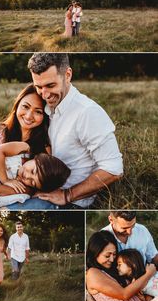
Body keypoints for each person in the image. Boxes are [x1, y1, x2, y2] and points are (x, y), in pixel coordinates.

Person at [9, 53, 123, 210]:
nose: (45, 94)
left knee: (6, 211)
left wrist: (67, 195)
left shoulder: (87, 112)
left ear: (67, 75)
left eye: (50, 86)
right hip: (36, 186)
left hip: (69, 202)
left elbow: (114, 168)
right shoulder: (47, 106)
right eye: (38, 87)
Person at [86, 230, 158, 301]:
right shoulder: (93, 273)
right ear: (95, 253)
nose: (112, 260)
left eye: (114, 254)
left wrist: (144, 298)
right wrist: (149, 274)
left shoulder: (115, 270)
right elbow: (124, 294)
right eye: (107, 256)